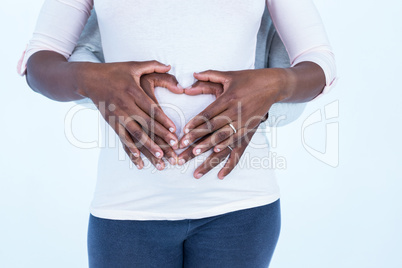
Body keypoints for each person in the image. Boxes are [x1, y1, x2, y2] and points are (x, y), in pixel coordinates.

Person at [18, 0, 337, 267]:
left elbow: (319, 62)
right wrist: (90, 78)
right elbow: (39, 61)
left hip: (241, 204)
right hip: (127, 205)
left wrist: (274, 84)